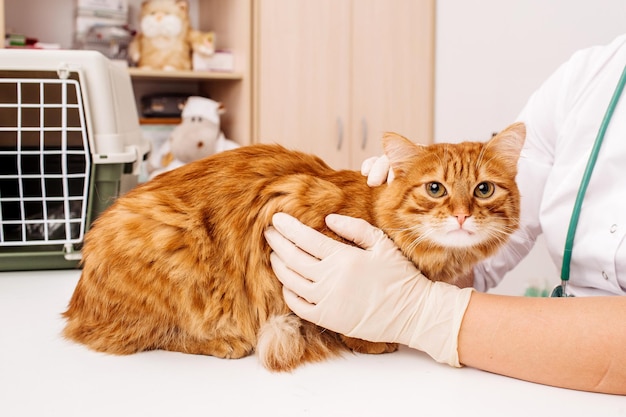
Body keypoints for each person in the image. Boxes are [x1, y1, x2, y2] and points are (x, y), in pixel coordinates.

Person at [264, 34, 626, 395]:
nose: (462, 213)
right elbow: (483, 258)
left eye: (480, 193)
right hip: (540, 351)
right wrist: (404, 205)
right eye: (439, 192)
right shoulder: (585, 76)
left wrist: (419, 311)